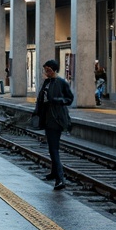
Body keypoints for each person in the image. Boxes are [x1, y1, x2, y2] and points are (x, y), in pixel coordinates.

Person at [37, 59, 74, 190]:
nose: (46, 72)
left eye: (48, 70)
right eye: (45, 70)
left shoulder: (62, 83)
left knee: (54, 149)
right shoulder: (47, 82)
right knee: (51, 147)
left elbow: (70, 99)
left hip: (56, 119)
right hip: (47, 118)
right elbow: (41, 99)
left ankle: (60, 179)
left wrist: (55, 100)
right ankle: (54, 173)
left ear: (54, 70)